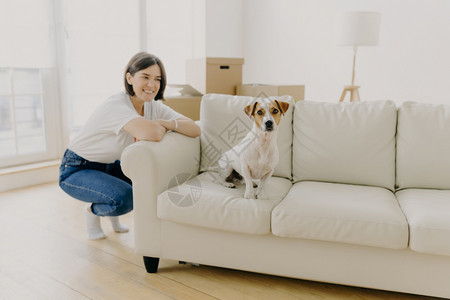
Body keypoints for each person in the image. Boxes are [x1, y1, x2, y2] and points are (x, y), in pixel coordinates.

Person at [59, 52, 201, 239]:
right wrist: (162, 126)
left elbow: (194, 128)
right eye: (145, 77)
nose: (152, 85)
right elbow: (153, 133)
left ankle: (112, 214)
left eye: (157, 79)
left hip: (110, 165)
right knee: (127, 198)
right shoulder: (116, 105)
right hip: (77, 168)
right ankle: (92, 212)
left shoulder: (152, 106)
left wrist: (166, 123)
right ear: (129, 77)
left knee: (147, 186)